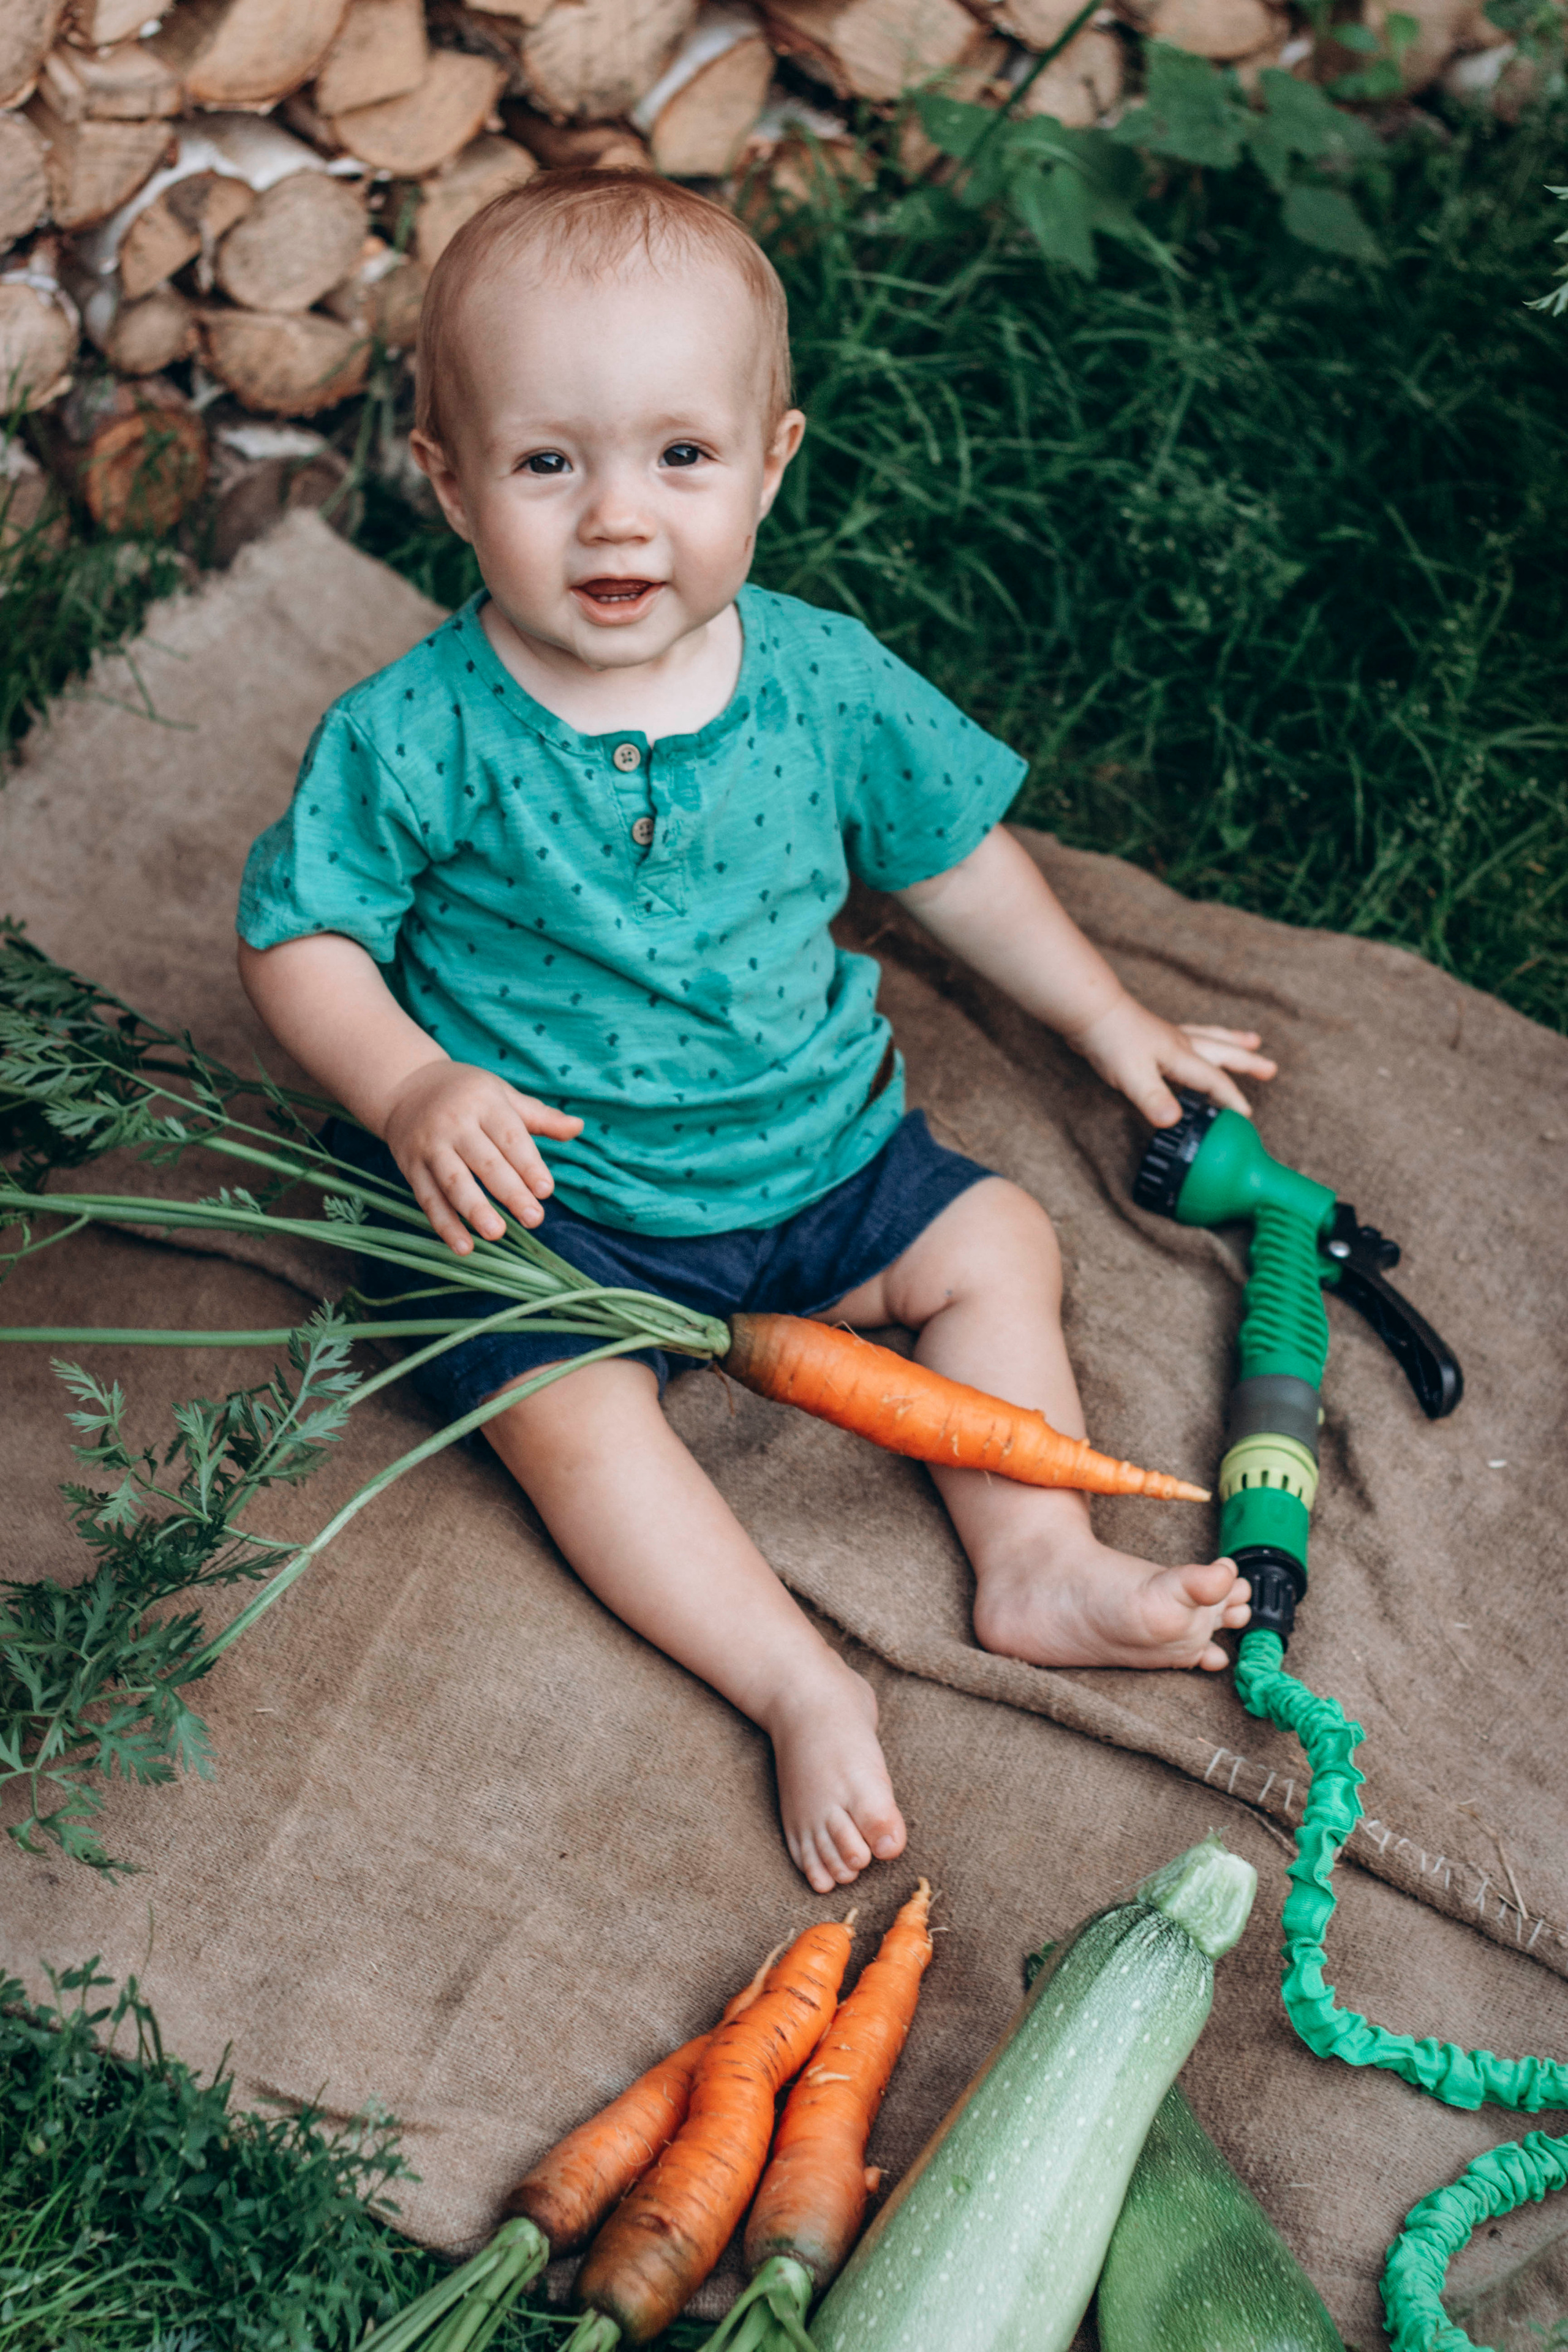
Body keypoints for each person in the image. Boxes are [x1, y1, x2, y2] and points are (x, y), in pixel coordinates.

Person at [238, 170, 1274, 1895]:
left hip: (822, 1157)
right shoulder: (417, 729)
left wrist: (1105, 1013)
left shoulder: (822, 679)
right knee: (561, 1404)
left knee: (996, 1240)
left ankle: (1035, 1559)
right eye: (549, 463)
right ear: (446, 478)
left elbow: (952, 858)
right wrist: (411, 1081)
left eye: (681, 458)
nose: (618, 521)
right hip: (549, 1201)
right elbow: (301, 940)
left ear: (773, 458)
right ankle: (795, 1677)